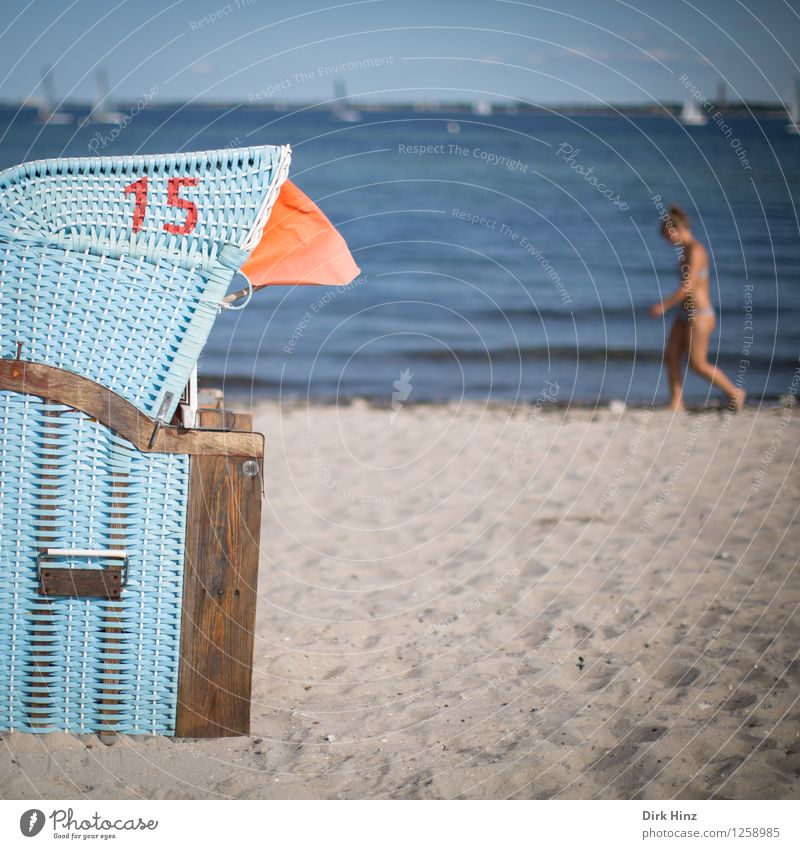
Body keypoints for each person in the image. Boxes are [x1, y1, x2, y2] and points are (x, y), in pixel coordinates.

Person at [650, 204, 745, 412]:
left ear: (675, 229)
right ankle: (676, 403)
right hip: (684, 314)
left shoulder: (696, 250)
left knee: (697, 364)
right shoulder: (684, 250)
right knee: (671, 356)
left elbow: (689, 285)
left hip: (700, 315)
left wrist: (664, 306)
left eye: (667, 235)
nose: (667, 240)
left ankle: (735, 393)